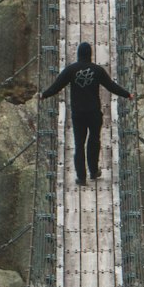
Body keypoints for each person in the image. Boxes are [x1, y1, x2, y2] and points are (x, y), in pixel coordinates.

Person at [40, 41, 132, 184]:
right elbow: (111, 86)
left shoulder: (71, 70)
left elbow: (56, 87)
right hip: (94, 113)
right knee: (94, 141)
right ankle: (94, 171)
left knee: (79, 144)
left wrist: (44, 95)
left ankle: (81, 178)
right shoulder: (97, 70)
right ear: (90, 54)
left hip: (78, 114)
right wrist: (127, 94)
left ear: (78, 54)